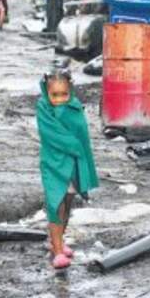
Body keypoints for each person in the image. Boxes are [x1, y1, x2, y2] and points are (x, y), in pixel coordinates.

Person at [36, 69, 99, 269]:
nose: (60, 100)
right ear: (47, 93)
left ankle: (59, 243)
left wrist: (81, 156)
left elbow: (83, 135)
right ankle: (56, 251)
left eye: (64, 94)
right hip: (54, 164)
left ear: (70, 91)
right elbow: (50, 134)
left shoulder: (74, 107)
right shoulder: (43, 109)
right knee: (56, 205)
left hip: (73, 164)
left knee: (68, 202)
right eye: (55, 95)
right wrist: (74, 145)